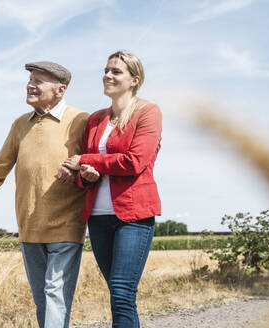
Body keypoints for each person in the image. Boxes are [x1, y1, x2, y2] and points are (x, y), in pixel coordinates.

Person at [0, 61, 89, 328]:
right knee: (43, 300)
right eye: (31, 79)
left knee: (55, 295)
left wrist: (79, 170)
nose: (31, 84)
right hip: (30, 227)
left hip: (66, 226)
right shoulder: (20, 125)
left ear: (60, 90)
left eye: (39, 81)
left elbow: (94, 165)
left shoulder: (81, 121)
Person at [60, 50, 162, 327]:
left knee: (121, 291)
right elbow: (84, 173)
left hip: (133, 215)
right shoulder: (95, 119)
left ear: (134, 79)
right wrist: (86, 175)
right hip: (99, 216)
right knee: (120, 294)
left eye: (116, 71)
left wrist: (86, 160)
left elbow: (134, 162)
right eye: (106, 70)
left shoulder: (147, 112)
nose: (107, 75)